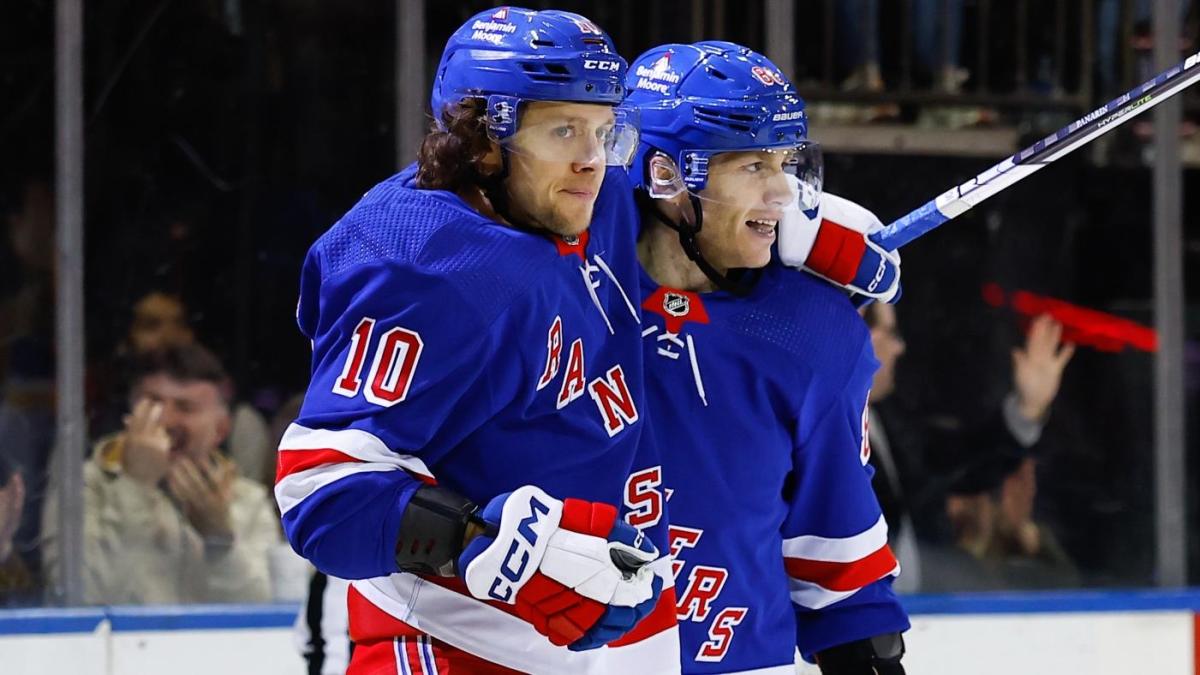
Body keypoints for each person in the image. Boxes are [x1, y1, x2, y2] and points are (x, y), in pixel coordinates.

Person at [275, 8, 675, 673]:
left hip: (565, 645)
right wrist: (482, 539)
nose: (592, 158)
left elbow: (697, 176)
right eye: (564, 128)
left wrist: (811, 229)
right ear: (481, 137)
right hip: (438, 637)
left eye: (606, 129)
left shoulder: (581, 193)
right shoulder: (420, 264)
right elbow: (319, 492)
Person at [627, 42, 909, 674]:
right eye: (753, 165)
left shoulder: (813, 332)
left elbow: (837, 557)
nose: (784, 193)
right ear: (666, 174)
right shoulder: (562, 290)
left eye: (785, 162)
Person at [43, 342, 280, 604]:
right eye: (153, 404)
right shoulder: (83, 486)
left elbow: (265, 615)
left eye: (185, 407)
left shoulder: (247, 500)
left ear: (221, 430)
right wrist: (135, 486)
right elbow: (84, 600)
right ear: (131, 416)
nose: (165, 421)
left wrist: (220, 541)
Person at [863, 304, 1075, 593]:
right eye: (890, 333)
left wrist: (1026, 412)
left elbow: (957, 463)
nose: (899, 347)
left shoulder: (885, 418)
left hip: (913, 611)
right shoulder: (811, 429)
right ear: (857, 330)